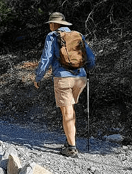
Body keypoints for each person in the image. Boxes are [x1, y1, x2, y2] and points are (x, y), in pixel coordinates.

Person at [33, 12, 96, 157]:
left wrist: (38, 77)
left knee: (66, 112)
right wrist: (87, 71)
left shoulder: (52, 36)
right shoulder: (78, 35)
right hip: (80, 78)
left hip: (63, 78)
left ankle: (71, 148)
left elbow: (46, 58)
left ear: (56, 25)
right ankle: (69, 140)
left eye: (51, 23)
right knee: (70, 109)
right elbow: (91, 57)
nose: (49, 25)